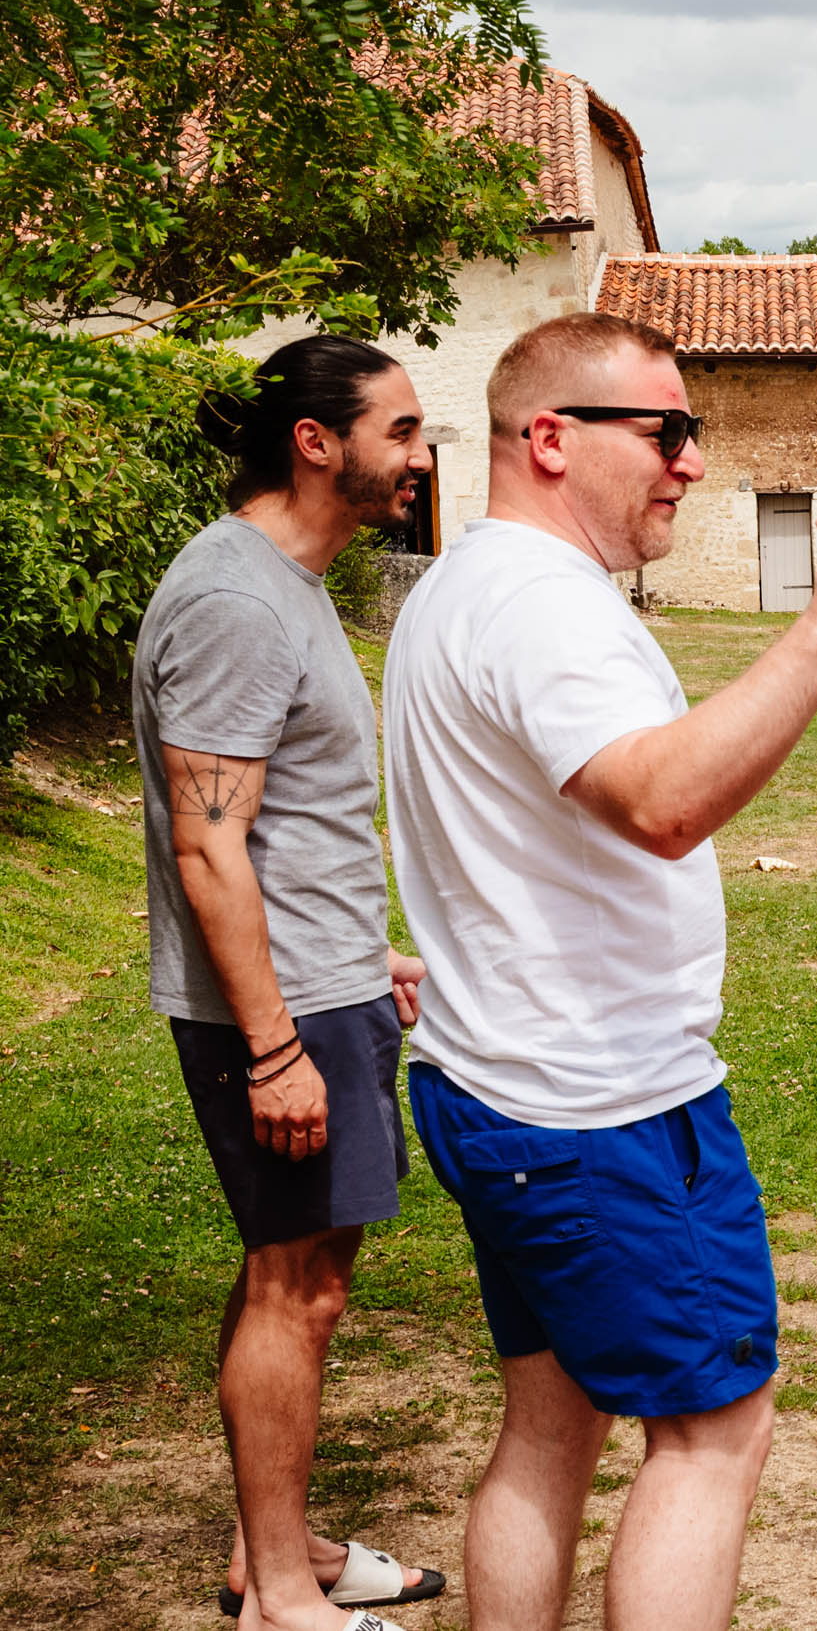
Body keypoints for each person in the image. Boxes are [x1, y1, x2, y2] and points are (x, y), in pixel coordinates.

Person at [382, 312, 817, 1631]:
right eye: (667, 431)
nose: (693, 465)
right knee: (712, 1434)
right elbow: (660, 800)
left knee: (549, 1427)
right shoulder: (549, 609)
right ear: (551, 439)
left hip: (493, 1086)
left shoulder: (459, 582)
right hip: (596, 1105)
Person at [136, 334, 442, 1631]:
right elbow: (207, 841)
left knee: (302, 1273)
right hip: (277, 1017)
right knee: (290, 1284)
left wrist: (356, 949)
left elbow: (278, 820)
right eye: (406, 430)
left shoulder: (287, 579)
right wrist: (274, 1041)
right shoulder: (238, 601)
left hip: (321, 981)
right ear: (318, 441)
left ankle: (275, 1544)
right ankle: (276, 1598)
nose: (423, 457)